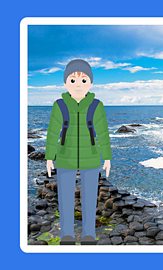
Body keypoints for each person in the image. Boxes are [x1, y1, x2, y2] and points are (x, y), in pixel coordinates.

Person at [45, 59, 112, 245]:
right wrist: (49, 156)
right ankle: (66, 234)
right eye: (72, 80)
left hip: (91, 159)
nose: (78, 85)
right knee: (65, 198)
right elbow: (52, 133)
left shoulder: (96, 106)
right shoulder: (59, 105)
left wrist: (107, 156)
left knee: (89, 198)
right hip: (64, 158)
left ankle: (88, 234)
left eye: (83, 80)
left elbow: (103, 133)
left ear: (90, 83)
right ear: (65, 82)